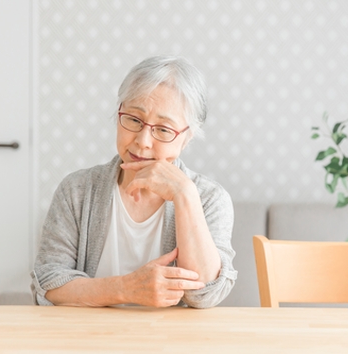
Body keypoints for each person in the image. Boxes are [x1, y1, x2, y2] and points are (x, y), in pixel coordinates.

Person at [31, 56, 237, 308]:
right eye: (134, 119)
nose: (143, 141)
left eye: (163, 129)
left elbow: (205, 295)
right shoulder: (77, 190)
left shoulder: (209, 198)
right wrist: (126, 289)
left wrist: (185, 195)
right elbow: (48, 283)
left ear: (187, 138)